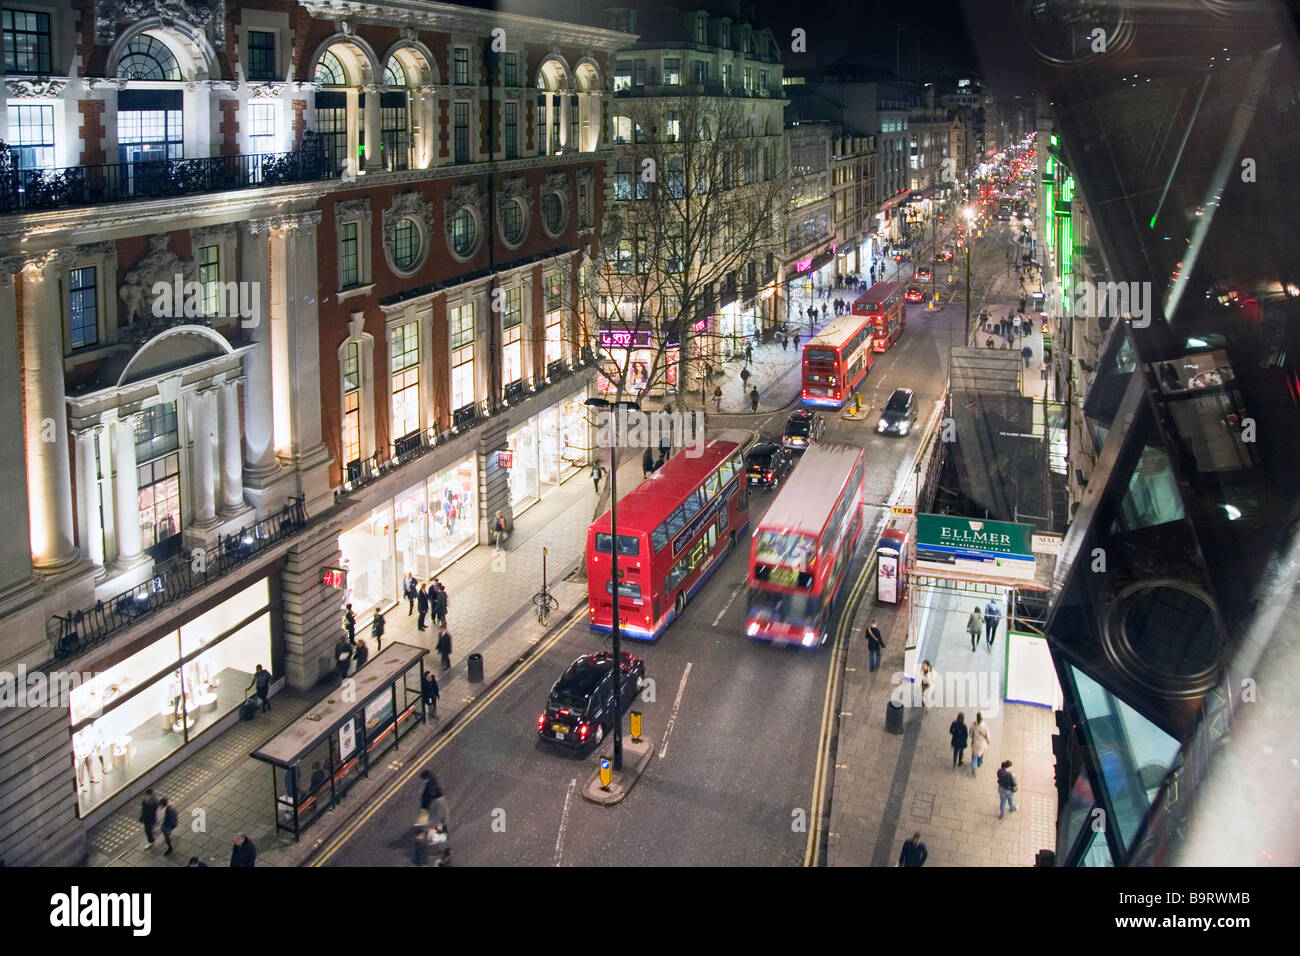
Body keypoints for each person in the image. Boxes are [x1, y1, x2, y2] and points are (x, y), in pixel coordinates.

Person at [970, 713, 991, 777]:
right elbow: (988, 735)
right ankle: (979, 763)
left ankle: (974, 767)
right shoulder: (984, 725)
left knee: (974, 756)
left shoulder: (974, 724)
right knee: (981, 753)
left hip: (975, 742)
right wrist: (988, 741)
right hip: (982, 743)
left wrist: (973, 738)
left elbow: (970, 733)